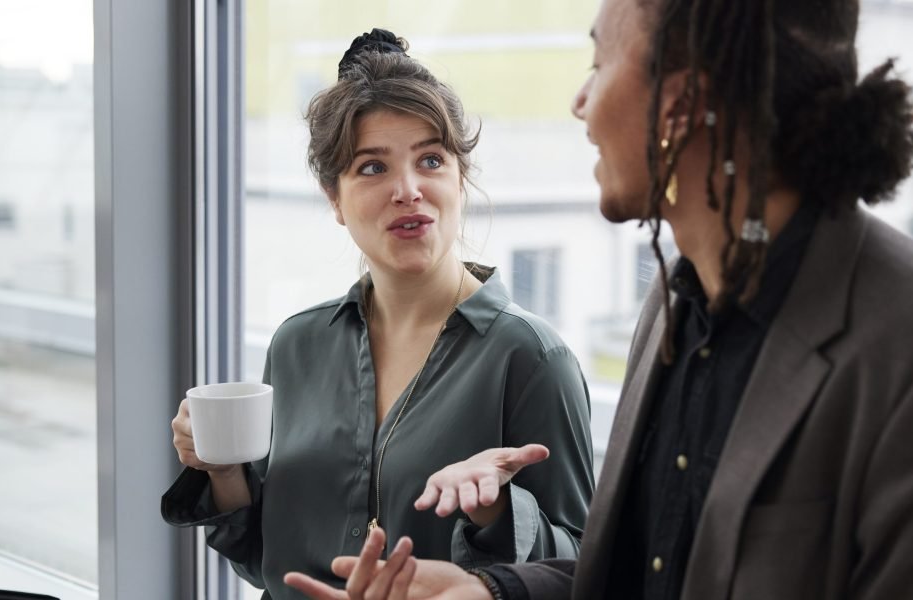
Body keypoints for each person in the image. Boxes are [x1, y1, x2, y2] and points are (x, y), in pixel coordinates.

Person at [284, 0, 913, 598]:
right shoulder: (676, 303)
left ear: (678, 108)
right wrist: (491, 590)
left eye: (600, 62)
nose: (582, 102)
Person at [161, 29, 595, 599]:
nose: (408, 190)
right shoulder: (298, 345)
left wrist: (497, 515)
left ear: (460, 180)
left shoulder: (532, 358)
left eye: (431, 160)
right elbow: (269, 560)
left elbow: (584, 571)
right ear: (334, 198)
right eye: (372, 168)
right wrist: (220, 472)